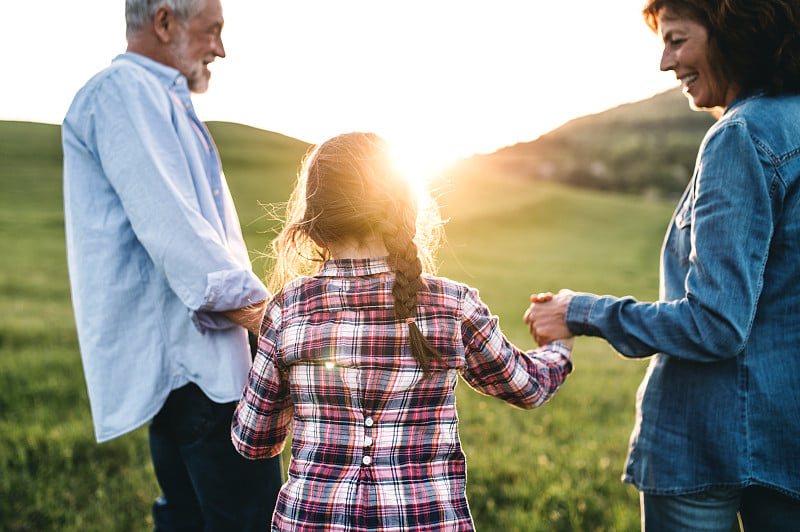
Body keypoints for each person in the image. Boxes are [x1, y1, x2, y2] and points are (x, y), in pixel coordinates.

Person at [525, 0, 800, 530]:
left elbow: (715, 325)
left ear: (733, 31)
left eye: (676, 39)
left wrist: (579, 311)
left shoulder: (741, 136)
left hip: (705, 442)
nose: (664, 62)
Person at [230, 132, 574, 531]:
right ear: (404, 207)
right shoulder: (451, 304)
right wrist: (560, 346)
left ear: (313, 218)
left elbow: (254, 441)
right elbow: (526, 386)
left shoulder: (288, 307)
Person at [62, 0, 282, 529]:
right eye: (213, 31)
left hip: (198, 369)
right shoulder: (122, 95)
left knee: (191, 518)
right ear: (164, 22)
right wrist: (285, 326)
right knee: (250, 521)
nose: (220, 49)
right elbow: (182, 242)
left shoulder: (158, 101)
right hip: (199, 374)